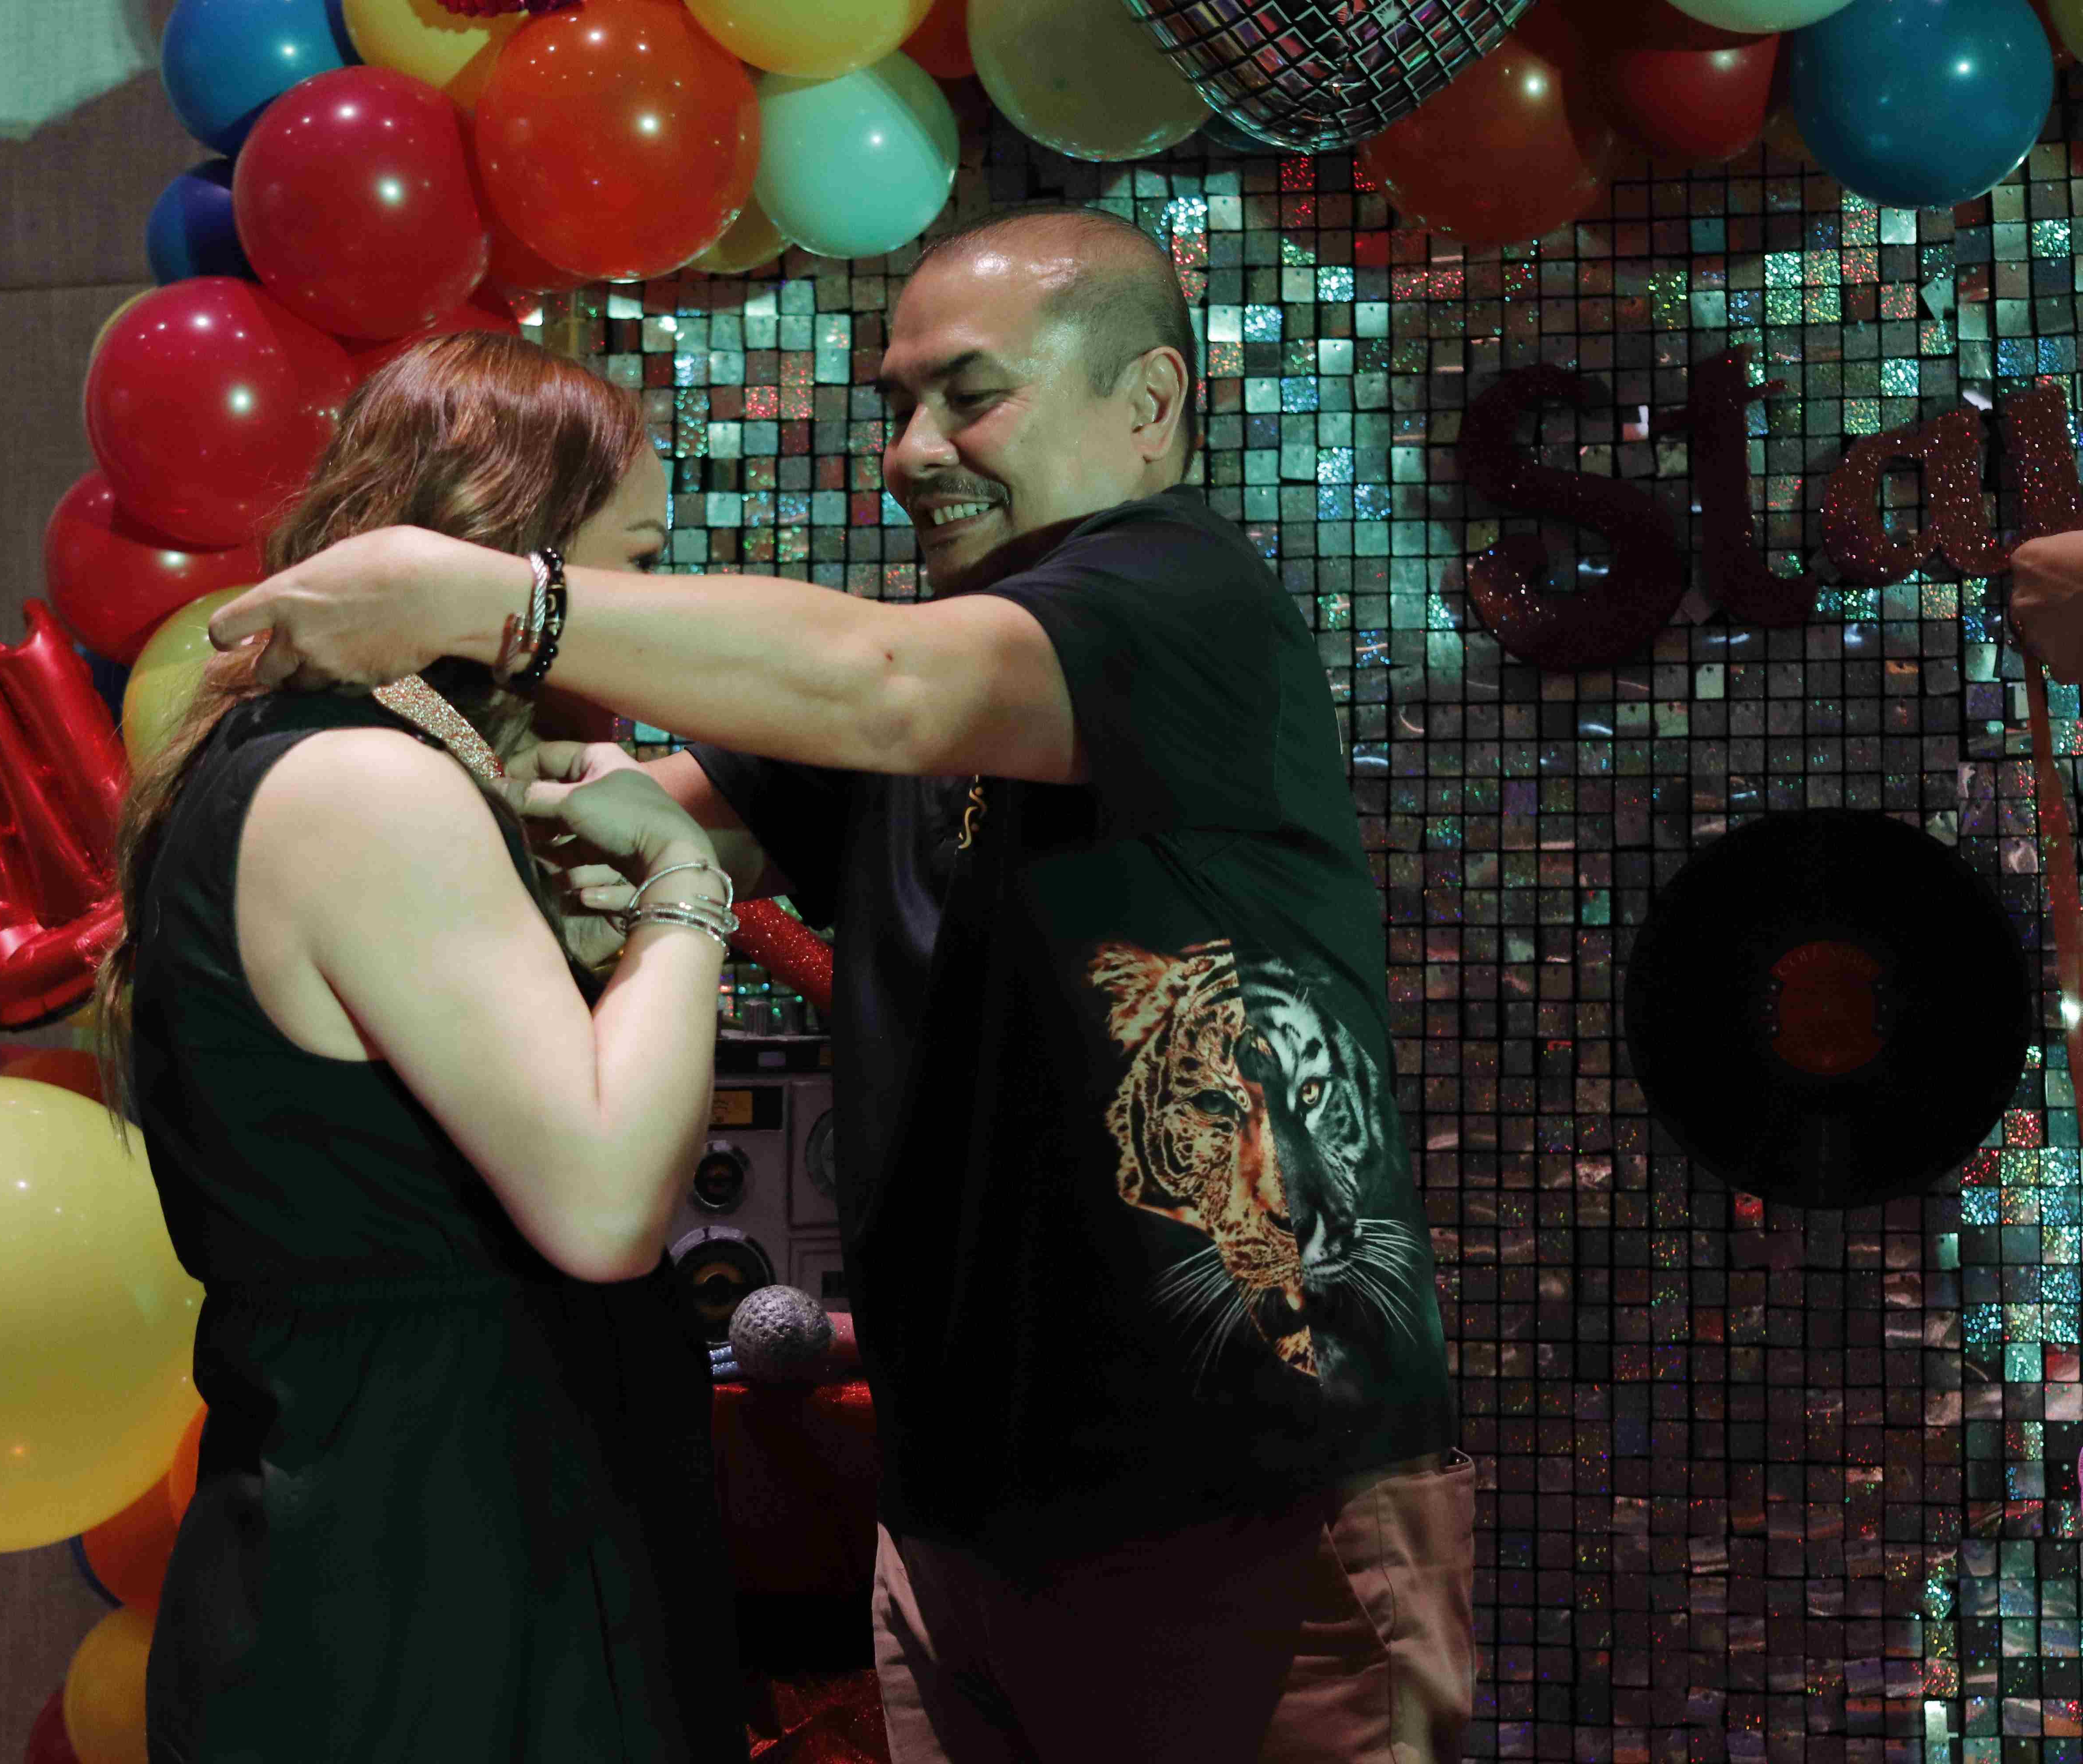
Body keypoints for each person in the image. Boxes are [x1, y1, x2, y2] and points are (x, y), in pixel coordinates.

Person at [204, 206, 1475, 1763]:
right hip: (961, 1519)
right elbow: (621, 825)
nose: (913, 452)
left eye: (972, 396)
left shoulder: (1178, 599)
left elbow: (880, 688)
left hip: (1237, 1489)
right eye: (898, 404)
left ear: (1149, 404)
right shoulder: (924, 671)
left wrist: (488, 599)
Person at [93, 332, 743, 1764]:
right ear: (517, 553)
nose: (648, 620)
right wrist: (687, 890)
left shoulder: (312, 758)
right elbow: (604, 1203)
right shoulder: (366, 781)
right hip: (436, 1574)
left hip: (408, 1535)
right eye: (634, 566)